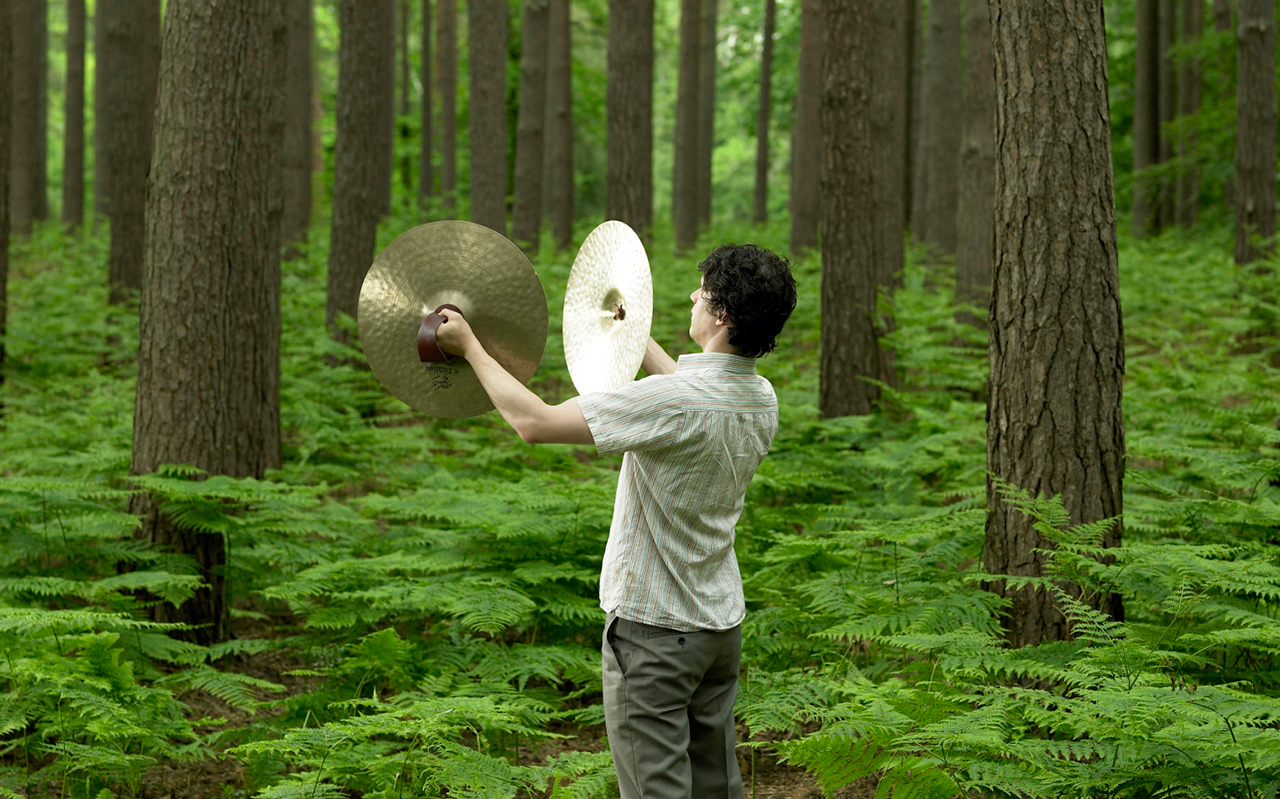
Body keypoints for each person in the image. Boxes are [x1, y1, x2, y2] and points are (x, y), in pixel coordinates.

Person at [435, 243, 797, 799]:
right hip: (718, 629)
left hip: (654, 636)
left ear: (721, 313)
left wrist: (471, 349)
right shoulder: (760, 399)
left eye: (702, 291)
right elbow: (692, 392)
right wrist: (634, 335)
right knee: (716, 790)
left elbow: (535, 423)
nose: (692, 297)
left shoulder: (671, 401)